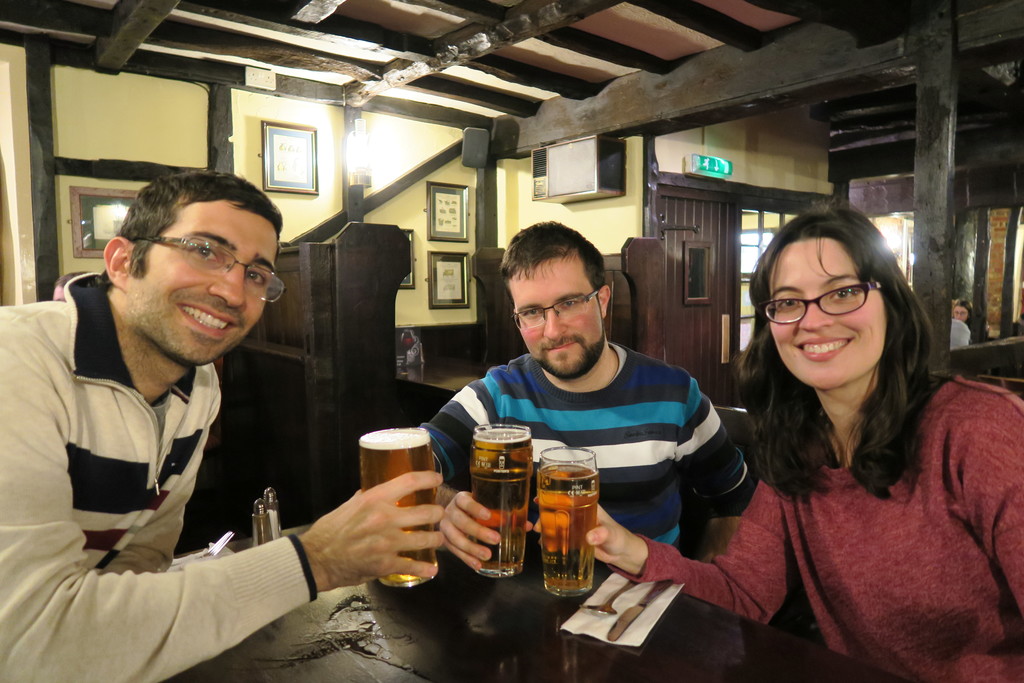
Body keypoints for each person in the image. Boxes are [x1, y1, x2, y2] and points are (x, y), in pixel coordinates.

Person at [0, 171, 443, 682]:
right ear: (122, 262)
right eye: (205, 251)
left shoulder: (199, 386)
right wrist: (314, 560)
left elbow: (140, 556)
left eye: (256, 274)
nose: (233, 290)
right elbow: (28, 640)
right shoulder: (20, 362)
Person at [588, 207, 1024, 681]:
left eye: (842, 293)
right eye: (789, 302)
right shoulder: (798, 445)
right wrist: (627, 548)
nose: (812, 321)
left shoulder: (979, 430)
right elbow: (743, 594)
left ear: (892, 304)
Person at [424, 221, 754, 572]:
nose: (553, 330)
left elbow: (735, 498)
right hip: (532, 600)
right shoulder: (496, 395)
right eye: (532, 312)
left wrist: (705, 589)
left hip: (645, 600)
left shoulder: (674, 394)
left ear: (603, 300)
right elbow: (412, 467)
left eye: (568, 303)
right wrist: (445, 507)